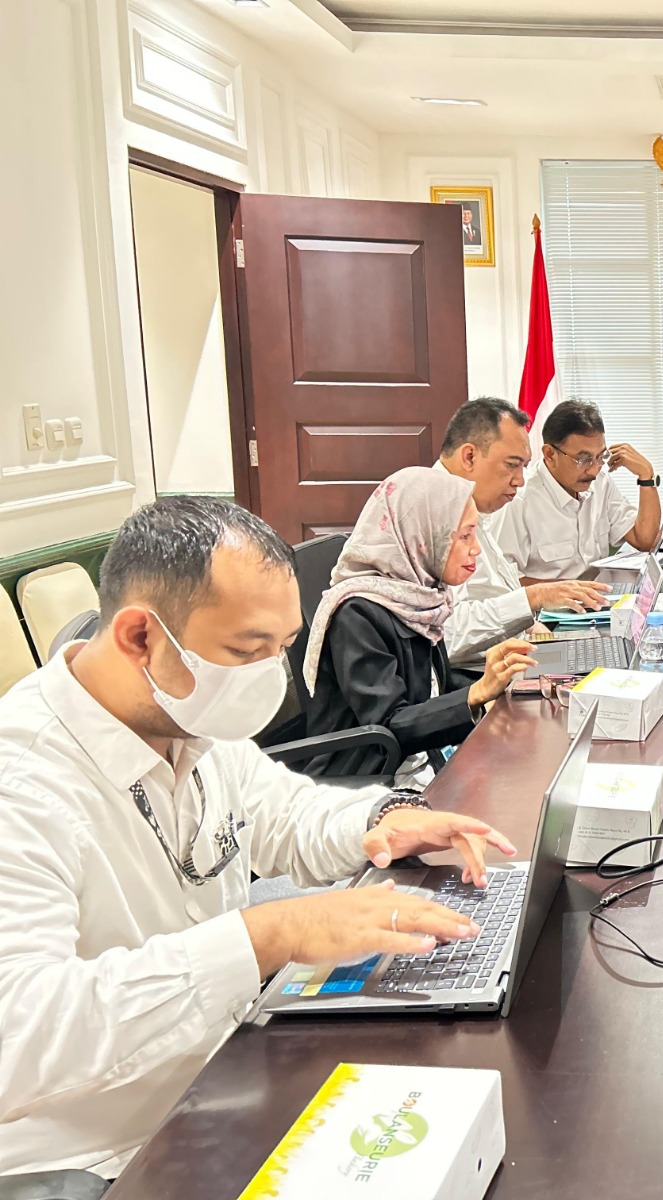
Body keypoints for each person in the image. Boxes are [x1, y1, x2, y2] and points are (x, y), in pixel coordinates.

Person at [0, 496, 513, 1177]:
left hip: (227, 1070)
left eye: (281, 648)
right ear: (138, 638)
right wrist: (265, 936)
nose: (269, 677)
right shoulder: (25, 781)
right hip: (107, 1152)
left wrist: (382, 820)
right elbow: (21, 1033)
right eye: (247, 650)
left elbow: (280, 813)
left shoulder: (184, 717)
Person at [302, 467, 534, 782]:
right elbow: (389, 725)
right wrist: (476, 693)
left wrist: (503, 686)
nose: (476, 548)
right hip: (371, 780)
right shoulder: (356, 614)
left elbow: (430, 689)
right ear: (422, 536)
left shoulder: (421, 597)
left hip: (423, 760)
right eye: (465, 535)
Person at [435, 397, 610, 666]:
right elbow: (445, 636)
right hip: (473, 680)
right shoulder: (435, 513)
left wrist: (541, 636)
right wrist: (534, 598)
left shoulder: (471, 507)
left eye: (524, 467)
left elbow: (494, 596)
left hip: (511, 658)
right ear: (469, 456)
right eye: (511, 465)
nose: (519, 480)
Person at [497, 399, 663, 581]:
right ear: (550, 454)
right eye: (582, 460)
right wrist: (567, 592)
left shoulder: (601, 482)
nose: (593, 470)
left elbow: (645, 540)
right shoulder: (518, 500)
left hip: (599, 600)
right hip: (549, 607)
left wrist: (646, 477)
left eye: (600, 457)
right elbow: (506, 583)